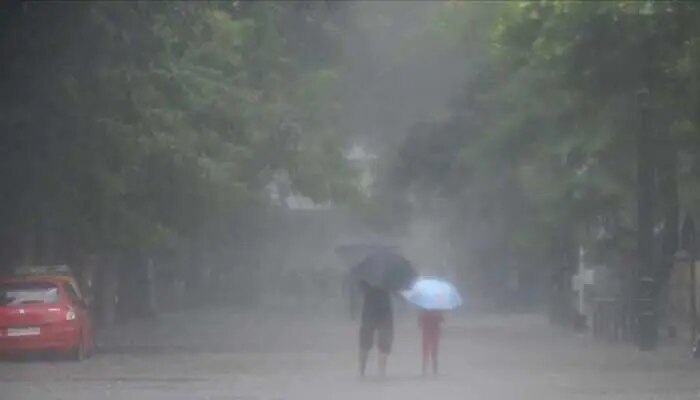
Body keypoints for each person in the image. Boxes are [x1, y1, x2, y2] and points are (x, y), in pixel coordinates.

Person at [358, 281, 393, 378]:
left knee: (364, 344)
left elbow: (361, 289)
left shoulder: (366, 279)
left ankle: (362, 372)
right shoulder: (388, 280)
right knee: (383, 345)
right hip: (384, 313)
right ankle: (381, 372)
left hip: (368, 313)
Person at [419, 309, 444, 376]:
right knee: (434, 351)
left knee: (425, 351)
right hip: (435, 333)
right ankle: (435, 370)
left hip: (426, 333)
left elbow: (420, 324)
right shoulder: (438, 311)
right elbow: (442, 323)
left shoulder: (424, 311)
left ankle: (424, 370)